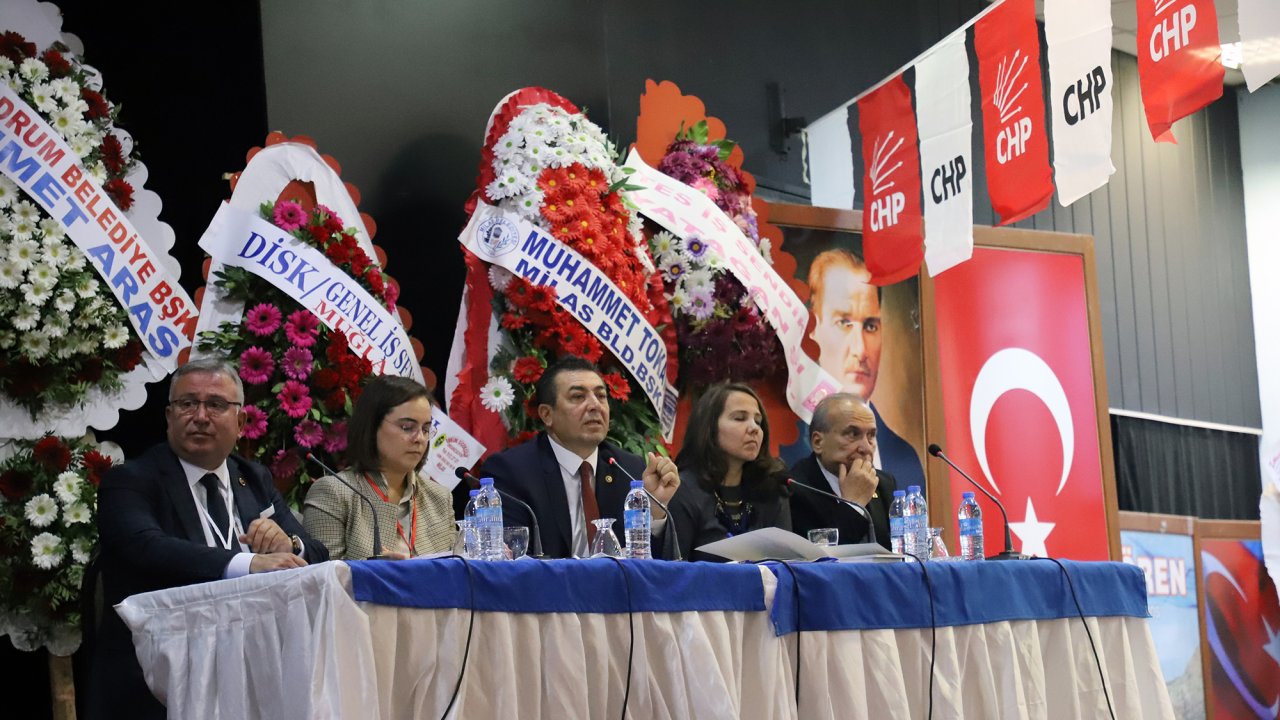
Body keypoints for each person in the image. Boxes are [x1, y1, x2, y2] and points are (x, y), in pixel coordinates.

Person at [93, 357, 328, 719]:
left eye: (216, 405)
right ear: (169, 416)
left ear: (241, 421)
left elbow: (314, 553)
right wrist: (249, 564)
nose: (200, 416)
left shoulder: (254, 477)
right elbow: (145, 546)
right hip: (157, 676)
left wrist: (289, 545)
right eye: (187, 403)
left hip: (254, 666)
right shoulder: (132, 480)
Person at [478, 357, 681, 559]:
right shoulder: (511, 471)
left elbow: (655, 567)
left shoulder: (628, 468)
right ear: (547, 414)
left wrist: (654, 512)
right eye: (578, 397)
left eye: (601, 396)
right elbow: (512, 561)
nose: (595, 405)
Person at [783, 248, 925, 491]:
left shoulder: (905, 458)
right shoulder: (786, 451)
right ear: (813, 330)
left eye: (870, 326)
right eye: (844, 323)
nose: (860, 350)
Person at [303, 375, 456, 559]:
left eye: (425, 429)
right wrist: (375, 572)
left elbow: (457, 571)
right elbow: (325, 580)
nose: (420, 439)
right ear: (372, 426)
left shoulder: (439, 498)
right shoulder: (333, 492)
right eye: (407, 427)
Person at [671, 383, 790, 559]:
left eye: (758, 421)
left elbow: (786, 563)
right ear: (709, 428)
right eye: (740, 418)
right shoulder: (683, 489)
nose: (754, 428)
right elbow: (673, 569)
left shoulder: (771, 488)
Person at [789, 393, 896, 550]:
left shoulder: (884, 484)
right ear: (818, 442)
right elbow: (821, 559)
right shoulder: (795, 487)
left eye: (871, 436)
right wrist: (854, 504)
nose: (866, 448)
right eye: (853, 434)